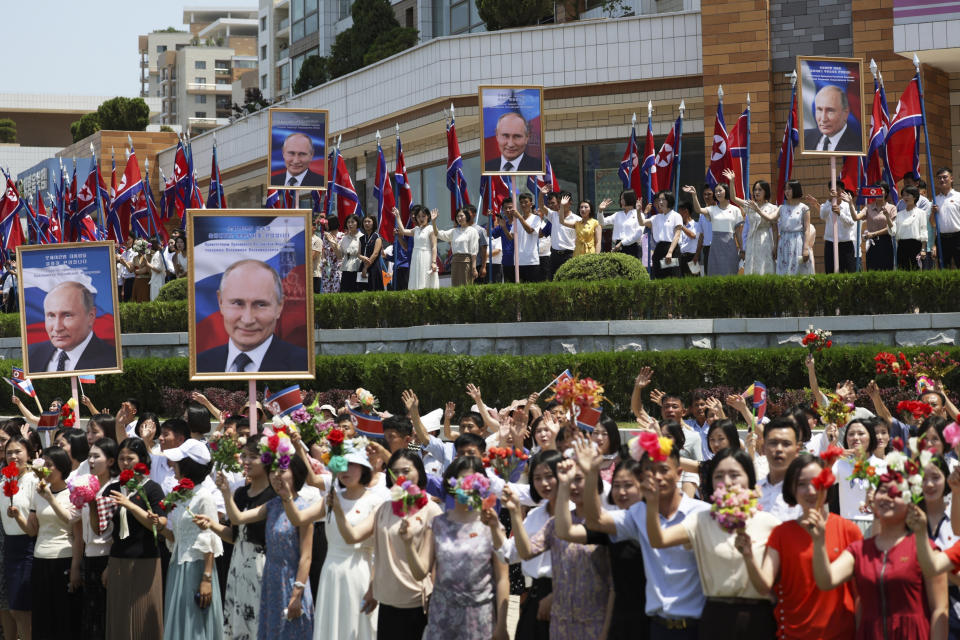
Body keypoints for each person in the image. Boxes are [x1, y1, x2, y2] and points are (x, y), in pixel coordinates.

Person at [646, 448, 780, 638]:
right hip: (716, 618)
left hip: (759, 617)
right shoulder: (700, 519)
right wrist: (652, 502)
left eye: (735, 475)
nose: (726, 482)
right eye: (719, 476)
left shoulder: (768, 523)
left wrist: (749, 555)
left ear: (749, 479)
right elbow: (658, 540)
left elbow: (770, 584)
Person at [809, 472, 948, 639]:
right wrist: (818, 542)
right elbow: (826, 580)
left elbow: (940, 609)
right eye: (882, 491)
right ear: (873, 501)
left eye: (896, 493)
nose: (887, 497)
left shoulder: (924, 548)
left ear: (910, 502)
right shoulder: (859, 550)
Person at [737, 454, 861, 640]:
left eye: (817, 482)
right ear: (792, 489)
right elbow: (764, 586)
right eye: (802, 484)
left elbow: (860, 594)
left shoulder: (849, 530)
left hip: (841, 633)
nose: (810, 490)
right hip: (793, 634)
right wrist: (748, 556)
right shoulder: (782, 533)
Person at [401, 456, 510, 640]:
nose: (467, 487)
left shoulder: (491, 524)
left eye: (472, 481)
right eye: (461, 480)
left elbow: (502, 578)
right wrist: (408, 543)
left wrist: (501, 626)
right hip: (442, 617)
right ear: (451, 483)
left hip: (480, 618)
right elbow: (420, 572)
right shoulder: (438, 524)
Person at [8, 445, 79, 640]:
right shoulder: (39, 495)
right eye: (43, 465)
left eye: (49, 465)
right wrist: (18, 517)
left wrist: (75, 567)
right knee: (42, 615)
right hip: (40, 557)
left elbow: (70, 522)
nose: (44, 470)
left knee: (62, 615)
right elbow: (32, 531)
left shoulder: (72, 493)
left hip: (63, 557)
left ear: (62, 467)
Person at [156, 439, 224, 640]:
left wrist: (206, 578)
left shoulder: (203, 496)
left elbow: (209, 538)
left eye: (177, 461)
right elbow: (176, 537)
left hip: (197, 567)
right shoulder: (181, 495)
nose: (172, 465)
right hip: (178, 565)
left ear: (188, 466)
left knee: (195, 624)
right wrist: (159, 526)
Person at [194, 259, 308, 373]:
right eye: (238, 303)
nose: (248, 320)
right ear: (220, 302)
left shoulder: (302, 365)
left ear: (279, 306)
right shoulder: (200, 365)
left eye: (260, 304)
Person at [103, 438, 166, 640]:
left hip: (146, 560)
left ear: (142, 460)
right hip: (118, 559)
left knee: (144, 615)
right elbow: (104, 529)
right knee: (120, 617)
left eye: (130, 458)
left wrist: (130, 505)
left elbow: (158, 524)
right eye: (121, 458)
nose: (125, 462)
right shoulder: (111, 488)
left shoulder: (152, 489)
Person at [27, 281, 117, 373]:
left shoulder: (112, 360)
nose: (57, 328)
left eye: (67, 315)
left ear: (91, 316)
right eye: (51, 315)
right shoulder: (31, 354)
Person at [1, 434, 39, 640]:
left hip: (28, 547)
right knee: (13, 607)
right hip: (10, 547)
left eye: (18, 451)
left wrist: (18, 516)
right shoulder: (4, 480)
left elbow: (33, 528)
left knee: (22, 609)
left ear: (29, 454)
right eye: (9, 453)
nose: (13, 456)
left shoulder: (34, 480)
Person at [723, 170, 778, 275]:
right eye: (755, 190)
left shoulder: (772, 208)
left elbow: (775, 229)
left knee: (765, 267)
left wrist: (775, 246)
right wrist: (732, 181)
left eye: (760, 190)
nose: (756, 192)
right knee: (752, 269)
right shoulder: (750, 205)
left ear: (765, 191)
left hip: (765, 239)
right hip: (751, 240)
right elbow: (733, 198)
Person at [683, 182, 743, 276]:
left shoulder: (736, 210)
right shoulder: (712, 209)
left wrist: (742, 249)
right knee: (714, 274)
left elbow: (738, 233)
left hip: (730, 246)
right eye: (716, 192)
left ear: (726, 191)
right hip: (715, 247)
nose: (718, 193)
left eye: (720, 191)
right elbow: (698, 210)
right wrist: (694, 195)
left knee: (731, 273)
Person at [633, 190, 682, 279]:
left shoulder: (676, 216)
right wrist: (638, 211)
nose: (660, 202)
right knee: (660, 277)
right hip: (659, 249)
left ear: (669, 200)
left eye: (663, 199)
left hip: (672, 249)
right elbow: (641, 223)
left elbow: (677, 235)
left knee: (673, 277)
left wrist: (670, 252)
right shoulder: (656, 217)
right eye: (659, 200)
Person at [803, 85, 863, 153]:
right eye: (819, 110)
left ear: (845, 113)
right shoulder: (804, 137)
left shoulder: (859, 146)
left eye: (830, 111)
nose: (823, 119)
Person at [814, 187, 858, 274]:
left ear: (842, 191)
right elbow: (822, 216)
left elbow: (851, 222)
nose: (835, 193)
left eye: (838, 190)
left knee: (848, 273)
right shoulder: (826, 205)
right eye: (832, 190)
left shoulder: (847, 206)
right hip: (830, 243)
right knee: (830, 271)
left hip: (845, 244)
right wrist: (829, 201)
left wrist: (840, 214)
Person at [395, 206, 439, 290]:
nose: (421, 218)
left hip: (426, 256)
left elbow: (434, 247)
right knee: (416, 281)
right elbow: (403, 231)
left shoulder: (431, 229)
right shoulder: (416, 229)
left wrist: (433, 262)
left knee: (426, 281)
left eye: (423, 216)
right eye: (418, 216)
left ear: (428, 217)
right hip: (416, 257)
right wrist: (397, 216)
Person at [435, 207, 479, 286]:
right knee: (455, 286)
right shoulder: (454, 231)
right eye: (457, 216)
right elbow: (438, 234)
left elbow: (474, 251)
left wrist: (474, 267)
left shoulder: (472, 231)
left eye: (461, 216)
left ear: (467, 216)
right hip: (455, 261)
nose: (459, 218)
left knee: (466, 285)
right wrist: (433, 221)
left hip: (466, 262)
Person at [860, 183, 897, 271]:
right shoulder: (868, 207)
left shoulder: (892, 208)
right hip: (872, 244)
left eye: (882, 190)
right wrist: (851, 203)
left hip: (885, 242)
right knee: (872, 271)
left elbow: (891, 228)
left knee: (886, 271)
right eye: (877, 190)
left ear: (886, 193)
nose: (879, 192)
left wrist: (873, 234)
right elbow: (856, 217)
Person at [931, 167, 960, 269]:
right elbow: (933, 224)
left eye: (945, 177)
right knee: (944, 269)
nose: (942, 180)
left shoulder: (958, 197)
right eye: (939, 178)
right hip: (942, 239)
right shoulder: (935, 200)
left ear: (951, 179)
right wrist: (933, 213)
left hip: (958, 237)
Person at [896, 185, 929, 270]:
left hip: (916, 246)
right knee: (902, 271)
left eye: (908, 195)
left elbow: (923, 231)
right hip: (902, 246)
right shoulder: (899, 214)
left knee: (916, 271)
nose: (905, 197)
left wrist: (923, 249)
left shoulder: (921, 213)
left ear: (914, 196)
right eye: (903, 195)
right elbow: (895, 231)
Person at [604, 190, 643, 259]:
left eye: (623, 199)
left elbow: (638, 234)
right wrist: (600, 211)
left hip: (632, 247)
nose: (621, 201)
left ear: (629, 199)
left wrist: (622, 243)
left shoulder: (639, 214)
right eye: (621, 199)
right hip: (617, 247)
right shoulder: (618, 214)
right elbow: (602, 222)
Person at [359, 214, 385, 292]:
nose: (366, 223)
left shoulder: (377, 237)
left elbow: (375, 254)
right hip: (362, 266)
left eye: (369, 221)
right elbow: (358, 253)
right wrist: (361, 257)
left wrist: (366, 268)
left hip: (373, 267)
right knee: (361, 290)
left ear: (373, 223)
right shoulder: (361, 238)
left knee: (374, 290)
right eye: (365, 222)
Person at [319, 215, 344, 293]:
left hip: (337, 268)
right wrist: (323, 260)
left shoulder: (341, 236)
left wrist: (330, 239)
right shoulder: (325, 236)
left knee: (336, 291)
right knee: (326, 291)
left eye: (326, 223)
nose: (325, 225)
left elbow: (338, 253)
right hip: (327, 269)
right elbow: (324, 251)